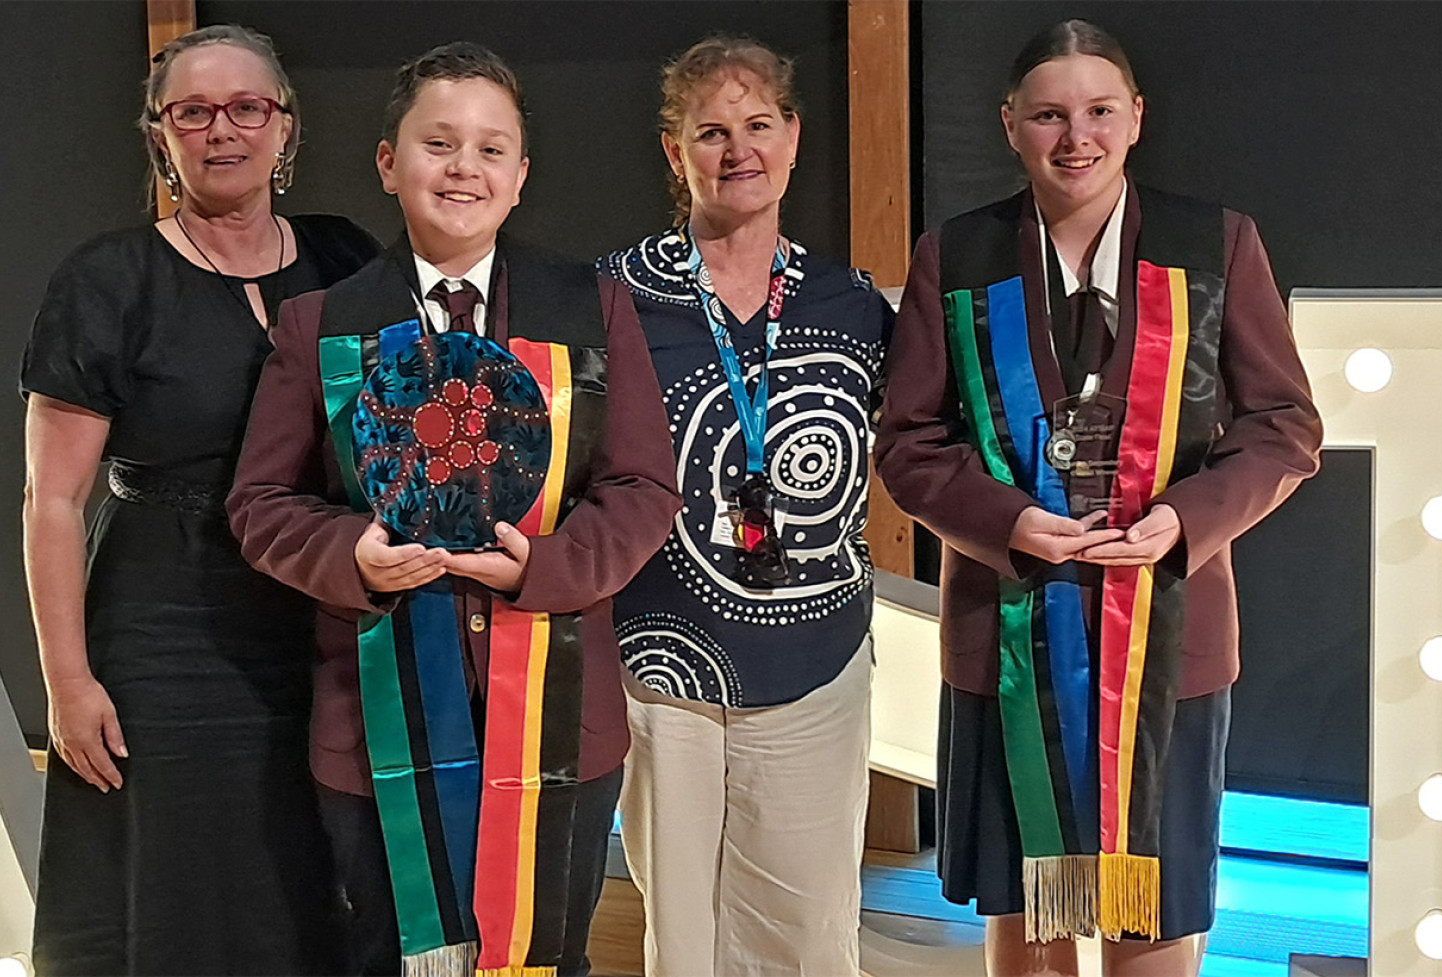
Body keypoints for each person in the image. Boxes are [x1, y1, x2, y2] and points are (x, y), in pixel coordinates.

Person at [873, 19, 1321, 977]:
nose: (1075, 136)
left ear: (1136, 119)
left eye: (1098, 111)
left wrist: (1185, 520)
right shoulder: (957, 255)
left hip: (1171, 631)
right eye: (1048, 115)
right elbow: (907, 444)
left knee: (1148, 913)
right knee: (1029, 916)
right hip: (1005, 628)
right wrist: (1007, 522)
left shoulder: (1216, 243)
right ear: (1009, 126)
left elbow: (1284, 425)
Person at [227, 41, 679, 977]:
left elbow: (642, 489)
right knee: (393, 955)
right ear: (389, 163)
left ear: (520, 175)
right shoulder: (322, 324)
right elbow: (261, 504)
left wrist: (544, 569)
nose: (463, 167)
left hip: (560, 711)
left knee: (547, 953)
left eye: (489, 148)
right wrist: (351, 553)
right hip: (372, 721)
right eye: (439, 144)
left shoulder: (591, 309)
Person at [20, 23, 379, 976]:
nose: (223, 130)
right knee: (185, 883)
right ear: (160, 134)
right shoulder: (108, 279)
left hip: (322, 615)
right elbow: (52, 499)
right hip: (165, 624)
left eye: (247, 106)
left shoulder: (345, 258)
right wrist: (66, 682)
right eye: (193, 111)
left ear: (286, 128)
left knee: (315, 870)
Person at [597, 35, 892, 977]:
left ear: (794, 136)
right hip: (659, 653)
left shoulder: (850, 303)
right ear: (672, 150)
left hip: (816, 652)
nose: (738, 151)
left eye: (758, 125)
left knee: (808, 931)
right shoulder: (612, 300)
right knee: (682, 929)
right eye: (711, 131)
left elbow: (921, 445)